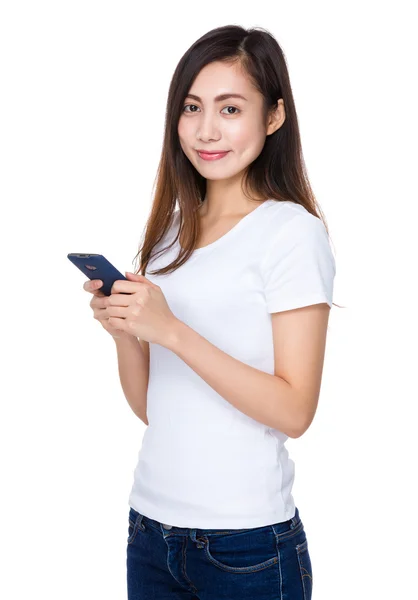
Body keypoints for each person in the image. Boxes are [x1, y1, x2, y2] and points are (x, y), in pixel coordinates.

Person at [85, 24, 338, 600]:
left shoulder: (292, 234)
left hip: (245, 547)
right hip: (150, 532)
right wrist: (126, 332)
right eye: (192, 107)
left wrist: (172, 331)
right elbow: (154, 409)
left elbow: (296, 411)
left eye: (230, 108)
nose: (206, 131)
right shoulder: (170, 234)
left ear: (273, 117)